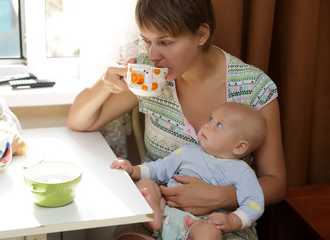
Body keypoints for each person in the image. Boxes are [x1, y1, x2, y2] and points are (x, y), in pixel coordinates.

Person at [67, 0, 286, 239]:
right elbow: (80, 121)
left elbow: (276, 183)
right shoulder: (148, 75)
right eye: (147, 41)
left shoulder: (254, 87)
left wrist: (222, 195)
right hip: (156, 209)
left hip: (220, 220)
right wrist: (104, 83)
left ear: (202, 34)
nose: (152, 55)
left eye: (165, 42)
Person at [111, 102, 266, 239]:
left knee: (209, 233)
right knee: (145, 185)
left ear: (239, 147)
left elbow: (255, 203)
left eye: (219, 125)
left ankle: (157, 220)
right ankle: (154, 217)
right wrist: (133, 170)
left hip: (198, 223)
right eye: (210, 119)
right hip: (166, 208)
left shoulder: (241, 172)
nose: (207, 125)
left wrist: (232, 220)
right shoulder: (187, 152)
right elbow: (159, 168)